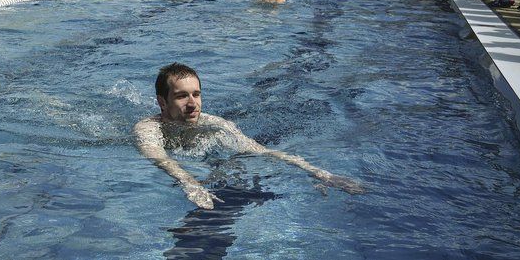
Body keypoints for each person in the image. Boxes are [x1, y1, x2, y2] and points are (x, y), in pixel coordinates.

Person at [133, 63, 364, 210]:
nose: (193, 104)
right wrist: (190, 183)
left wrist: (320, 172)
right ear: (162, 102)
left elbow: (261, 150)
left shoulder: (216, 124)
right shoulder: (148, 128)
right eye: (182, 96)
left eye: (196, 94)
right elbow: (159, 158)